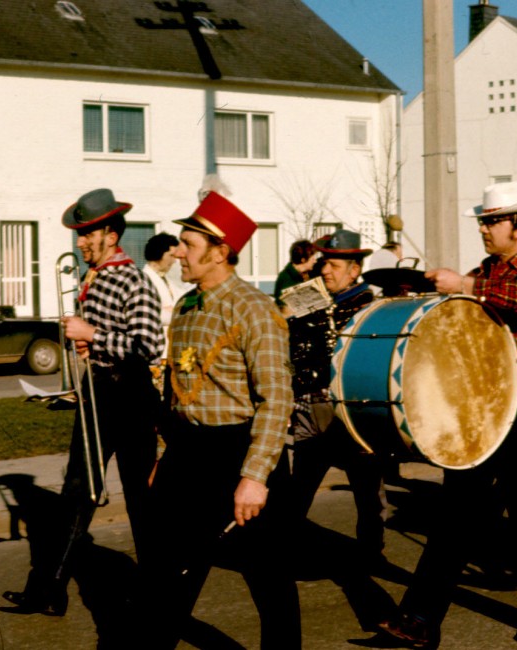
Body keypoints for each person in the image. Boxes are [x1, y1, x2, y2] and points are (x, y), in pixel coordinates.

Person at [379, 181, 517, 646]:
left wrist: (465, 285)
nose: (485, 229)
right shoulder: (484, 272)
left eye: (492, 221)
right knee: (456, 513)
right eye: (484, 221)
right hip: (483, 410)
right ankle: (420, 620)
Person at [140, 191, 301, 649]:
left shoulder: (254, 310)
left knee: (267, 578)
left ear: (220, 252)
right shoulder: (187, 307)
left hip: (239, 452)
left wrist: (254, 477)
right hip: (187, 452)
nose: (179, 253)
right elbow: (176, 389)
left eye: (188, 245)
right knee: (167, 570)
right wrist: (163, 456)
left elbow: (277, 398)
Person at [1, 188, 165, 616]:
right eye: (79, 234)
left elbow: (149, 344)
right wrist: (88, 347)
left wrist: (93, 336)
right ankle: (49, 590)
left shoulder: (133, 280)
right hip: (99, 393)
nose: (80, 242)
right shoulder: (92, 279)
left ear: (111, 234)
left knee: (140, 501)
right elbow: (111, 339)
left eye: (87, 234)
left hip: (130, 396)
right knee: (76, 494)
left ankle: (157, 595)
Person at [287, 229, 387, 569]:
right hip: (309, 407)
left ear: (354, 269)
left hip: (351, 413)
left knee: (366, 490)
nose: (325, 270)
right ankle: (288, 551)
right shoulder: (312, 297)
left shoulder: (372, 307)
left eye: (332, 264)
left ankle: (371, 554)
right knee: (299, 486)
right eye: (324, 263)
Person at [142, 231, 183, 354]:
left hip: (171, 349)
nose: (175, 261)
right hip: (156, 350)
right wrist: (176, 312)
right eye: (171, 255)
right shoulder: (143, 280)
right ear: (158, 253)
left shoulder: (167, 280)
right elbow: (150, 316)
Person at [274, 239, 319, 306]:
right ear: (303, 260)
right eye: (312, 258)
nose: (315, 261)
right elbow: (285, 307)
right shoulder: (287, 279)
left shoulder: (306, 274)